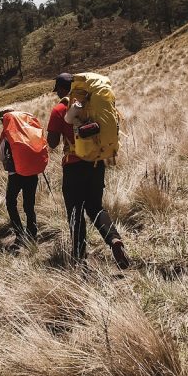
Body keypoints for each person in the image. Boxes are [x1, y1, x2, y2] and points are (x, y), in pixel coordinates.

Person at [46, 73, 129, 269]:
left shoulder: (60, 109)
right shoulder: (92, 104)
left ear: (64, 89)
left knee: (75, 212)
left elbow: (52, 143)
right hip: (96, 163)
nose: (57, 94)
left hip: (73, 165)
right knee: (95, 207)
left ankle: (80, 258)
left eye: (58, 90)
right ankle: (114, 239)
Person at [0, 109, 38, 248]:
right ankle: (32, 233)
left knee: (10, 202)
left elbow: (1, 156)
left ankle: (19, 233)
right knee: (29, 204)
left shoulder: (6, 133)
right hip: (32, 172)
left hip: (15, 174)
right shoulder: (28, 129)